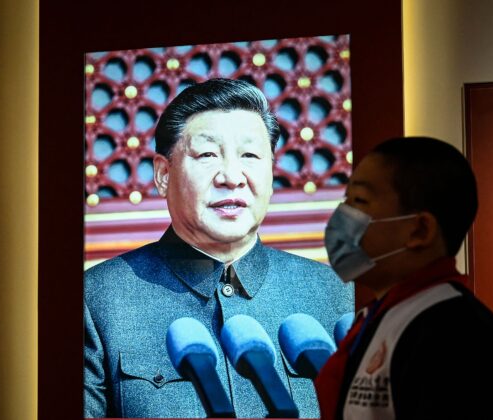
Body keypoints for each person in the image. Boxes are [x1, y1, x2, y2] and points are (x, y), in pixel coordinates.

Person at [84, 78, 354, 418]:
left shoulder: (337, 293)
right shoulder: (97, 299)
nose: (232, 176)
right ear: (163, 174)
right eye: (208, 154)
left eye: (250, 155)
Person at [316, 136, 493, 419]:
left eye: (359, 200)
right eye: (346, 200)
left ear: (419, 230)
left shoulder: (455, 335)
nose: (342, 216)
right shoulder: (389, 314)